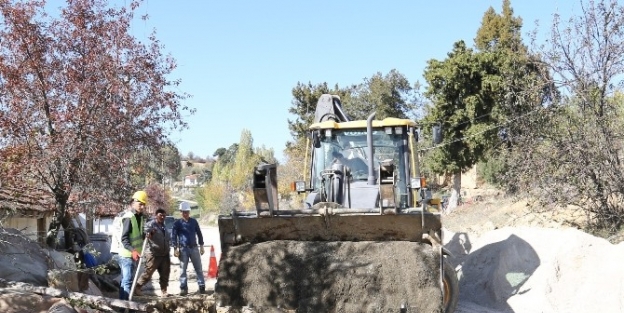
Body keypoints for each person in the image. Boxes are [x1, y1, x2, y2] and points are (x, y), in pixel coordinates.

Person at [118, 190, 148, 300]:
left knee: (125, 281)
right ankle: (127, 307)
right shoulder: (129, 217)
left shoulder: (139, 217)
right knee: (128, 281)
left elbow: (137, 236)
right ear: (133, 202)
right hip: (127, 255)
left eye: (144, 204)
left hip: (134, 255)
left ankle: (122, 306)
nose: (142, 207)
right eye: (140, 204)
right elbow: (124, 238)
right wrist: (133, 250)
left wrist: (146, 235)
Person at [134, 208, 171, 297]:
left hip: (164, 254)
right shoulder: (150, 225)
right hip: (153, 253)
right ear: (156, 215)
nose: (162, 217)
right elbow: (146, 234)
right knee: (148, 272)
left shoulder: (164, 226)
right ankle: (137, 287)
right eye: (160, 215)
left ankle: (164, 291)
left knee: (165, 273)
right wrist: (150, 233)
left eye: (164, 216)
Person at [171, 201, 206, 296]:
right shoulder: (177, 223)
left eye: (186, 212)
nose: (185, 213)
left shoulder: (194, 222)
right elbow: (173, 236)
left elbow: (199, 233)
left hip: (194, 248)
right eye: (183, 212)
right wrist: (175, 248)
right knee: (182, 270)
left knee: (198, 269)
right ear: (180, 212)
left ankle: (202, 286)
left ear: (189, 212)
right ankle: (183, 288)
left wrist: (201, 245)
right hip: (183, 249)